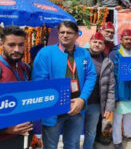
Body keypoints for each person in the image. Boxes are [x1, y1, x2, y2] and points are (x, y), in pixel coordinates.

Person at [32, 21, 97, 149]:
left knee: (72, 144)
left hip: (76, 108)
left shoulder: (84, 53)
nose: (65, 35)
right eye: (62, 32)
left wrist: (82, 99)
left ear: (77, 35)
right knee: (50, 146)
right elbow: (39, 82)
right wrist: (56, 103)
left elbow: (91, 75)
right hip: (53, 109)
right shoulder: (46, 53)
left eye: (69, 33)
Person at [83, 32, 115, 149]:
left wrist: (109, 107)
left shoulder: (107, 62)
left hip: (95, 104)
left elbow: (111, 86)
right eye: (94, 42)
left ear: (103, 46)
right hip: (79, 102)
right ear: (90, 43)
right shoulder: (80, 56)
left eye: (100, 43)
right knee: (74, 132)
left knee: (91, 132)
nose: (97, 44)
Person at [109, 29, 131, 149]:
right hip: (120, 89)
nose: (128, 41)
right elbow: (112, 75)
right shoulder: (115, 53)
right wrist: (114, 96)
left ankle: (128, 134)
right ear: (121, 40)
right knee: (118, 116)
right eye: (126, 39)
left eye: (130, 39)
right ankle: (117, 140)